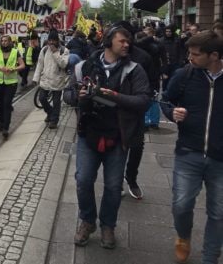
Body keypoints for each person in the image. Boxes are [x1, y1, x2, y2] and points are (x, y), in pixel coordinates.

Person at [65, 26, 149, 250]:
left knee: (113, 186)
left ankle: (108, 225)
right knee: (83, 180)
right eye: (122, 41)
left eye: (128, 42)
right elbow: (67, 94)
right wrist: (78, 96)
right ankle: (87, 221)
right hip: (88, 134)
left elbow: (143, 101)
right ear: (109, 41)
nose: (126, 45)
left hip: (118, 137)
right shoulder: (84, 67)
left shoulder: (134, 69)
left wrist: (116, 96)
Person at [161, 30, 223, 264]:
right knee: (181, 204)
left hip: (220, 158)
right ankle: (183, 236)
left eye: (196, 54)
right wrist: (172, 112)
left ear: (214, 55)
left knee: (218, 212)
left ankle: (210, 257)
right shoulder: (184, 75)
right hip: (189, 152)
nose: (190, 58)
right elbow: (166, 99)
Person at [0, 35, 25, 139]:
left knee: (7, 104)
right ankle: (1, 123)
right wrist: (0, 67)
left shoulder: (15, 51)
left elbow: (22, 65)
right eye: (2, 41)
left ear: (10, 42)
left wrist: (13, 69)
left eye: (6, 41)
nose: (3, 42)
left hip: (11, 82)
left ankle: (6, 127)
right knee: (0, 104)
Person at [33, 29, 70, 129]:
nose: (51, 42)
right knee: (41, 98)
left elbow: (63, 64)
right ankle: (50, 112)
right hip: (45, 79)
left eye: (53, 40)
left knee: (56, 101)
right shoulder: (44, 49)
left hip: (58, 80)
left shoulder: (64, 50)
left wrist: (55, 53)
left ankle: (54, 120)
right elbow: (40, 64)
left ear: (57, 40)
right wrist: (36, 78)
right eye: (50, 40)